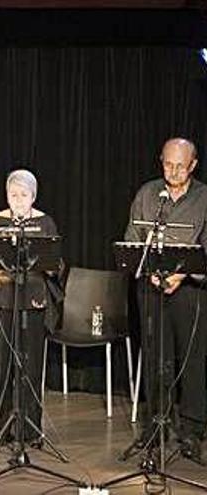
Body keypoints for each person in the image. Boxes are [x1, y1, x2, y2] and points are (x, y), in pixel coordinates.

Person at [124, 137, 206, 463]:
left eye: (180, 166)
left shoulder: (204, 198)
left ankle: (192, 430)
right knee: (157, 358)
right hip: (151, 289)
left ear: (193, 165)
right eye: (167, 164)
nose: (173, 171)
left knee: (193, 360)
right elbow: (132, 239)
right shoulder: (148, 194)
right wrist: (151, 274)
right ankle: (155, 426)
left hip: (190, 292)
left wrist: (182, 275)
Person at [0, 169, 59, 446]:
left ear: (33, 196)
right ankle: (0, 427)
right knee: (3, 366)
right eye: (13, 195)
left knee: (30, 365)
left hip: (32, 302)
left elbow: (55, 263)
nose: (18, 200)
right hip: (2, 301)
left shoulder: (45, 223)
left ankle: (29, 429)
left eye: (24, 195)